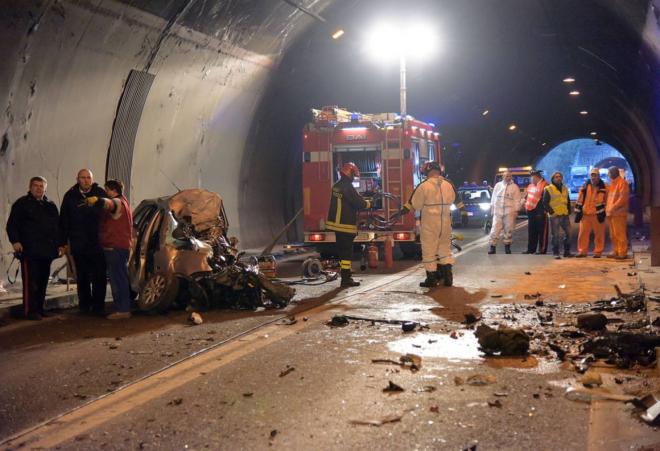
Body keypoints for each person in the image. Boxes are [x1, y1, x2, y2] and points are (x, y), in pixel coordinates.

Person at [6, 177, 61, 320]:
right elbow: (12, 225)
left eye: (41, 186)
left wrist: (60, 245)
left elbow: (57, 228)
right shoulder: (22, 204)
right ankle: (30, 310)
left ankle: (40, 309)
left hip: (47, 251)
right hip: (29, 250)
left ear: (45, 188)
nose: (38, 188)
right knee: (31, 283)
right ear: (30, 187)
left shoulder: (51, 205)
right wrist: (15, 241)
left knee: (42, 281)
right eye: (35, 186)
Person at [399, 161, 459, 287]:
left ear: (427, 171)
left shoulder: (424, 186)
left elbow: (416, 204)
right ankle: (448, 278)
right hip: (446, 222)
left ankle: (431, 279)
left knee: (429, 250)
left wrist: (404, 209)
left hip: (430, 223)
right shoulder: (448, 184)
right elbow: (454, 199)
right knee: (445, 249)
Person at [59, 169, 108, 315]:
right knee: (82, 276)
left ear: (92, 179)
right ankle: (85, 305)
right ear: (77, 179)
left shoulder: (100, 194)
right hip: (79, 243)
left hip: (97, 243)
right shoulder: (70, 195)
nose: (86, 180)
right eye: (83, 177)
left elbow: (107, 215)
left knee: (99, 276)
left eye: (88, 178)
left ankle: (99, 306)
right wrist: (63, 242)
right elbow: (64, 221)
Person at [86, 179, 133, 319]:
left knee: (117, 278)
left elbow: (108, 204)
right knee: (120, 277)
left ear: (112, 190)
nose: (106, 192)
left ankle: (123, 310)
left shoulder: (118, 202)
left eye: (107, 190)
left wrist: (97, 200)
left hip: (115, 247)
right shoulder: (125, 202)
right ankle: (123, 307)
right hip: (121, 246)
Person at [325, 162, 372, 287]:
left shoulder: (337, 185)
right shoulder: (347, 187)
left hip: (337, 226)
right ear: (349, 173)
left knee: (343, 253)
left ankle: (345, 278)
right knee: (347, 254)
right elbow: (358, 203)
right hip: (345, 226)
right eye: (353, 175)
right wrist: (369, 203)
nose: (354, 177)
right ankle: (346, 279)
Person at [575, 168, 607, 258]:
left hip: (597, 215)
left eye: (595, 175)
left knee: (599, 235)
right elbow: (579, 200)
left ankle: (598, 252)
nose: (593, 177)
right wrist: (578, 211)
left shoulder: (604, 187)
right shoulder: (584, 187)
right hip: (585, 215)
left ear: (599, 176)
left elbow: (607, 200)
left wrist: (605, 210)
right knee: (582, 235)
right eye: (592, 175)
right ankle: (582, 251)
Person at [488, 171, 521, 254]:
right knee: (495, 228)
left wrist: (516, 210)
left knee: (508, 229)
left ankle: (507, 247)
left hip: (509, 211)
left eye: (509, 176)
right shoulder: (498, 185)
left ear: (511, 177)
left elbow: (517, 200)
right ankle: (492, 247)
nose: (508, 178)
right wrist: (492, 208)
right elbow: (493, 197)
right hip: (498, 210)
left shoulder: (514, 187)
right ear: (503, 177)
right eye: (506, 176)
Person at [543, 171, 572, 259]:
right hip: (555, 215)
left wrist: (569, 210)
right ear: (553, 178)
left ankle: (567, 252)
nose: (558, 178)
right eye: (556, 177)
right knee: (555, 235)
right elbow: (545, 202)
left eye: (559, 176)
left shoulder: (565, 188)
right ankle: (556, 252)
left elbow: (567, 200)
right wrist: (551, 212)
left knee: (569, 233)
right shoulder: (548, 188)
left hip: (564, 214)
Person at [605, 166, 630, 259]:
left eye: (609, 173)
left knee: (620, 233)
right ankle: (616, 251)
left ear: (613, 173)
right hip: (611, 213)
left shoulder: (622, 183)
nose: (608, 175)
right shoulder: (612, 184)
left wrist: (613, 207)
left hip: (618, 213)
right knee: (613, 235)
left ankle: (622, 252)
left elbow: (622, 199)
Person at [523, 169, 549, 254]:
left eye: (532, 177)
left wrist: (544, 210)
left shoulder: (545, 185)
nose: (531, 179)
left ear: (536, 177)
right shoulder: (530, 185)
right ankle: (531, 249)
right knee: (532, 231)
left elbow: (547, 200)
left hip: (540, 212)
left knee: (541, 231)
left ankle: (542, 249)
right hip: (531, 211)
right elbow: (526, 197)